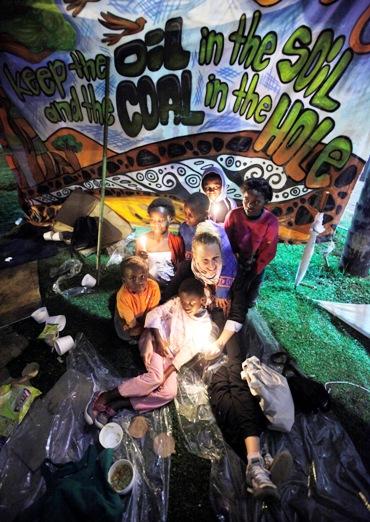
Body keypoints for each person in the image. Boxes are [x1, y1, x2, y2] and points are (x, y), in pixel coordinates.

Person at [85, 278, 218, 427]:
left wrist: (168, 372)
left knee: (169, 393)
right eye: (183, 301)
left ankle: (122, 403)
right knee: (155, 378)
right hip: (154, 343)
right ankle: (109, 395)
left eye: (191, 303)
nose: (186, 306)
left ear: (202, 300)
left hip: (171, 357)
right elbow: (153, 315)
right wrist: (159, 341)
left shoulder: (204, 326)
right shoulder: (176, 304)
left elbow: (189, 351)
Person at [208, 358, 293, 501]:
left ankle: (255, 464)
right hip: (226, 363)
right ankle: (259, 464)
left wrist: (220, 344)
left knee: (227, 387)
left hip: (230, 359)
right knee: (228, 390)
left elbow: (232, 346)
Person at [163, 222, 241, 356]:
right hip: (197, 314)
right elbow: (169, 293)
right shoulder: (187, 268)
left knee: (232, 352)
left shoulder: (233, 272)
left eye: (215, 258)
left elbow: (238, 310)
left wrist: (220, 343)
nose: (211, 266)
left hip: (223, 313)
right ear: (195, 256)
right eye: (205, 260)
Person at [224, 177, 279, 309]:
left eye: (256, 202)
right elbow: (226, 240)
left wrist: (254, 271)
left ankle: (248, 308)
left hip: (255, 264)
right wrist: (234, 259)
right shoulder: (233, 215)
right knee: (230, 291)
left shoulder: (270, 222)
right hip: (234, 260)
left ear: (265, 202)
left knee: (249, 296)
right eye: (246, 199)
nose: (249, 204)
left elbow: (269, 251)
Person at [136, 197, 184, 287]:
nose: (156, 224)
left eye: (160, 221)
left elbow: (179, 269)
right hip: (148, 288)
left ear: (170, 219)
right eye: (153, 220)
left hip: (170, 288)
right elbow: (137, 268)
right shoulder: (142, 241)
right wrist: (140, 259)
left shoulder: (177, 241)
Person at [114, 255, 160, 344]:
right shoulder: (123, 296)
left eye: (142, 276)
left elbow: (152, 310)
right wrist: (132, 328)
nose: (138, 281)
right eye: (132, 278)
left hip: (144, 313)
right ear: (124, 281)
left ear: (147, 274)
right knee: (124, 335)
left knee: (154, 324)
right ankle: (117, 311)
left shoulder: (154, 287)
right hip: (129, 315)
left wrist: (145, 324)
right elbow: (131, 323)